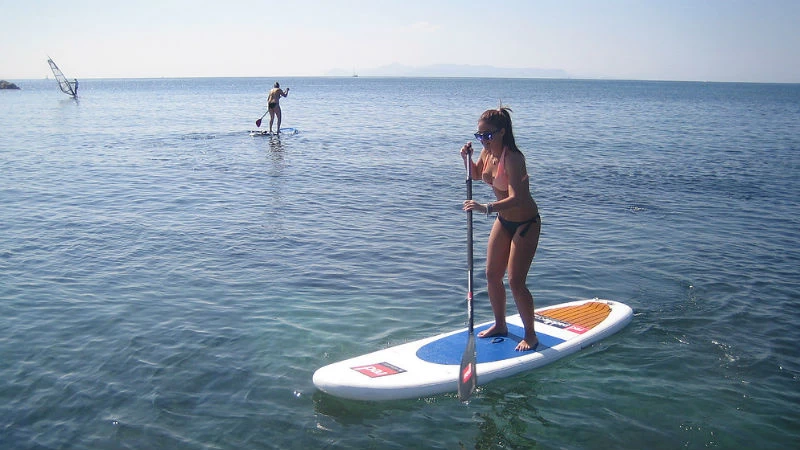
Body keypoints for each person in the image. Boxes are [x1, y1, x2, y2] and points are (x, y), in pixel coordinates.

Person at [461, 107, 541, 351]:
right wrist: (466, 158)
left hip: (526, 223)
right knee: (492, 276)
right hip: (503, 220)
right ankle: (500, 324)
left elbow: (518, 197)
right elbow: (476, 175)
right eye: (479, 135)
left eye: (487, 135)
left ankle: (530, 335)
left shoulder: (514, 158)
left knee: (516, 281)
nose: (483, 140)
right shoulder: (487, 153)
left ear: (502, 132)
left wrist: (486, 207)